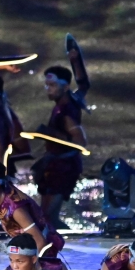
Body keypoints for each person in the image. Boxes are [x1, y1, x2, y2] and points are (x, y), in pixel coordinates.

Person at [34, 58, 89, 227]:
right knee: (46, 218)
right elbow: (84, 84)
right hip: (55, 166)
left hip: (63, 168)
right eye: (47, 85)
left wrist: (50, 133)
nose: (48, 89)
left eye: (52, 85)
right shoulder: (63, 103)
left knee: (47, 218)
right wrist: (75, 59)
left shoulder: (67, 111)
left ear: (65, 87)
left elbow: (80, 141)